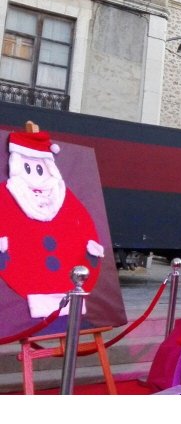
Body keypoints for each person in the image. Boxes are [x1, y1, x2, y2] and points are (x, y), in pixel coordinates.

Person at [0, 123, 104, 321]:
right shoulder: (7, 194)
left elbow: (82, 221)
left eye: (39, 168)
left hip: (68, 271)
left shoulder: (64, 196)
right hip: (23, 270)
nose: (35, 176)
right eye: (28, 167)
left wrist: (91, 248)